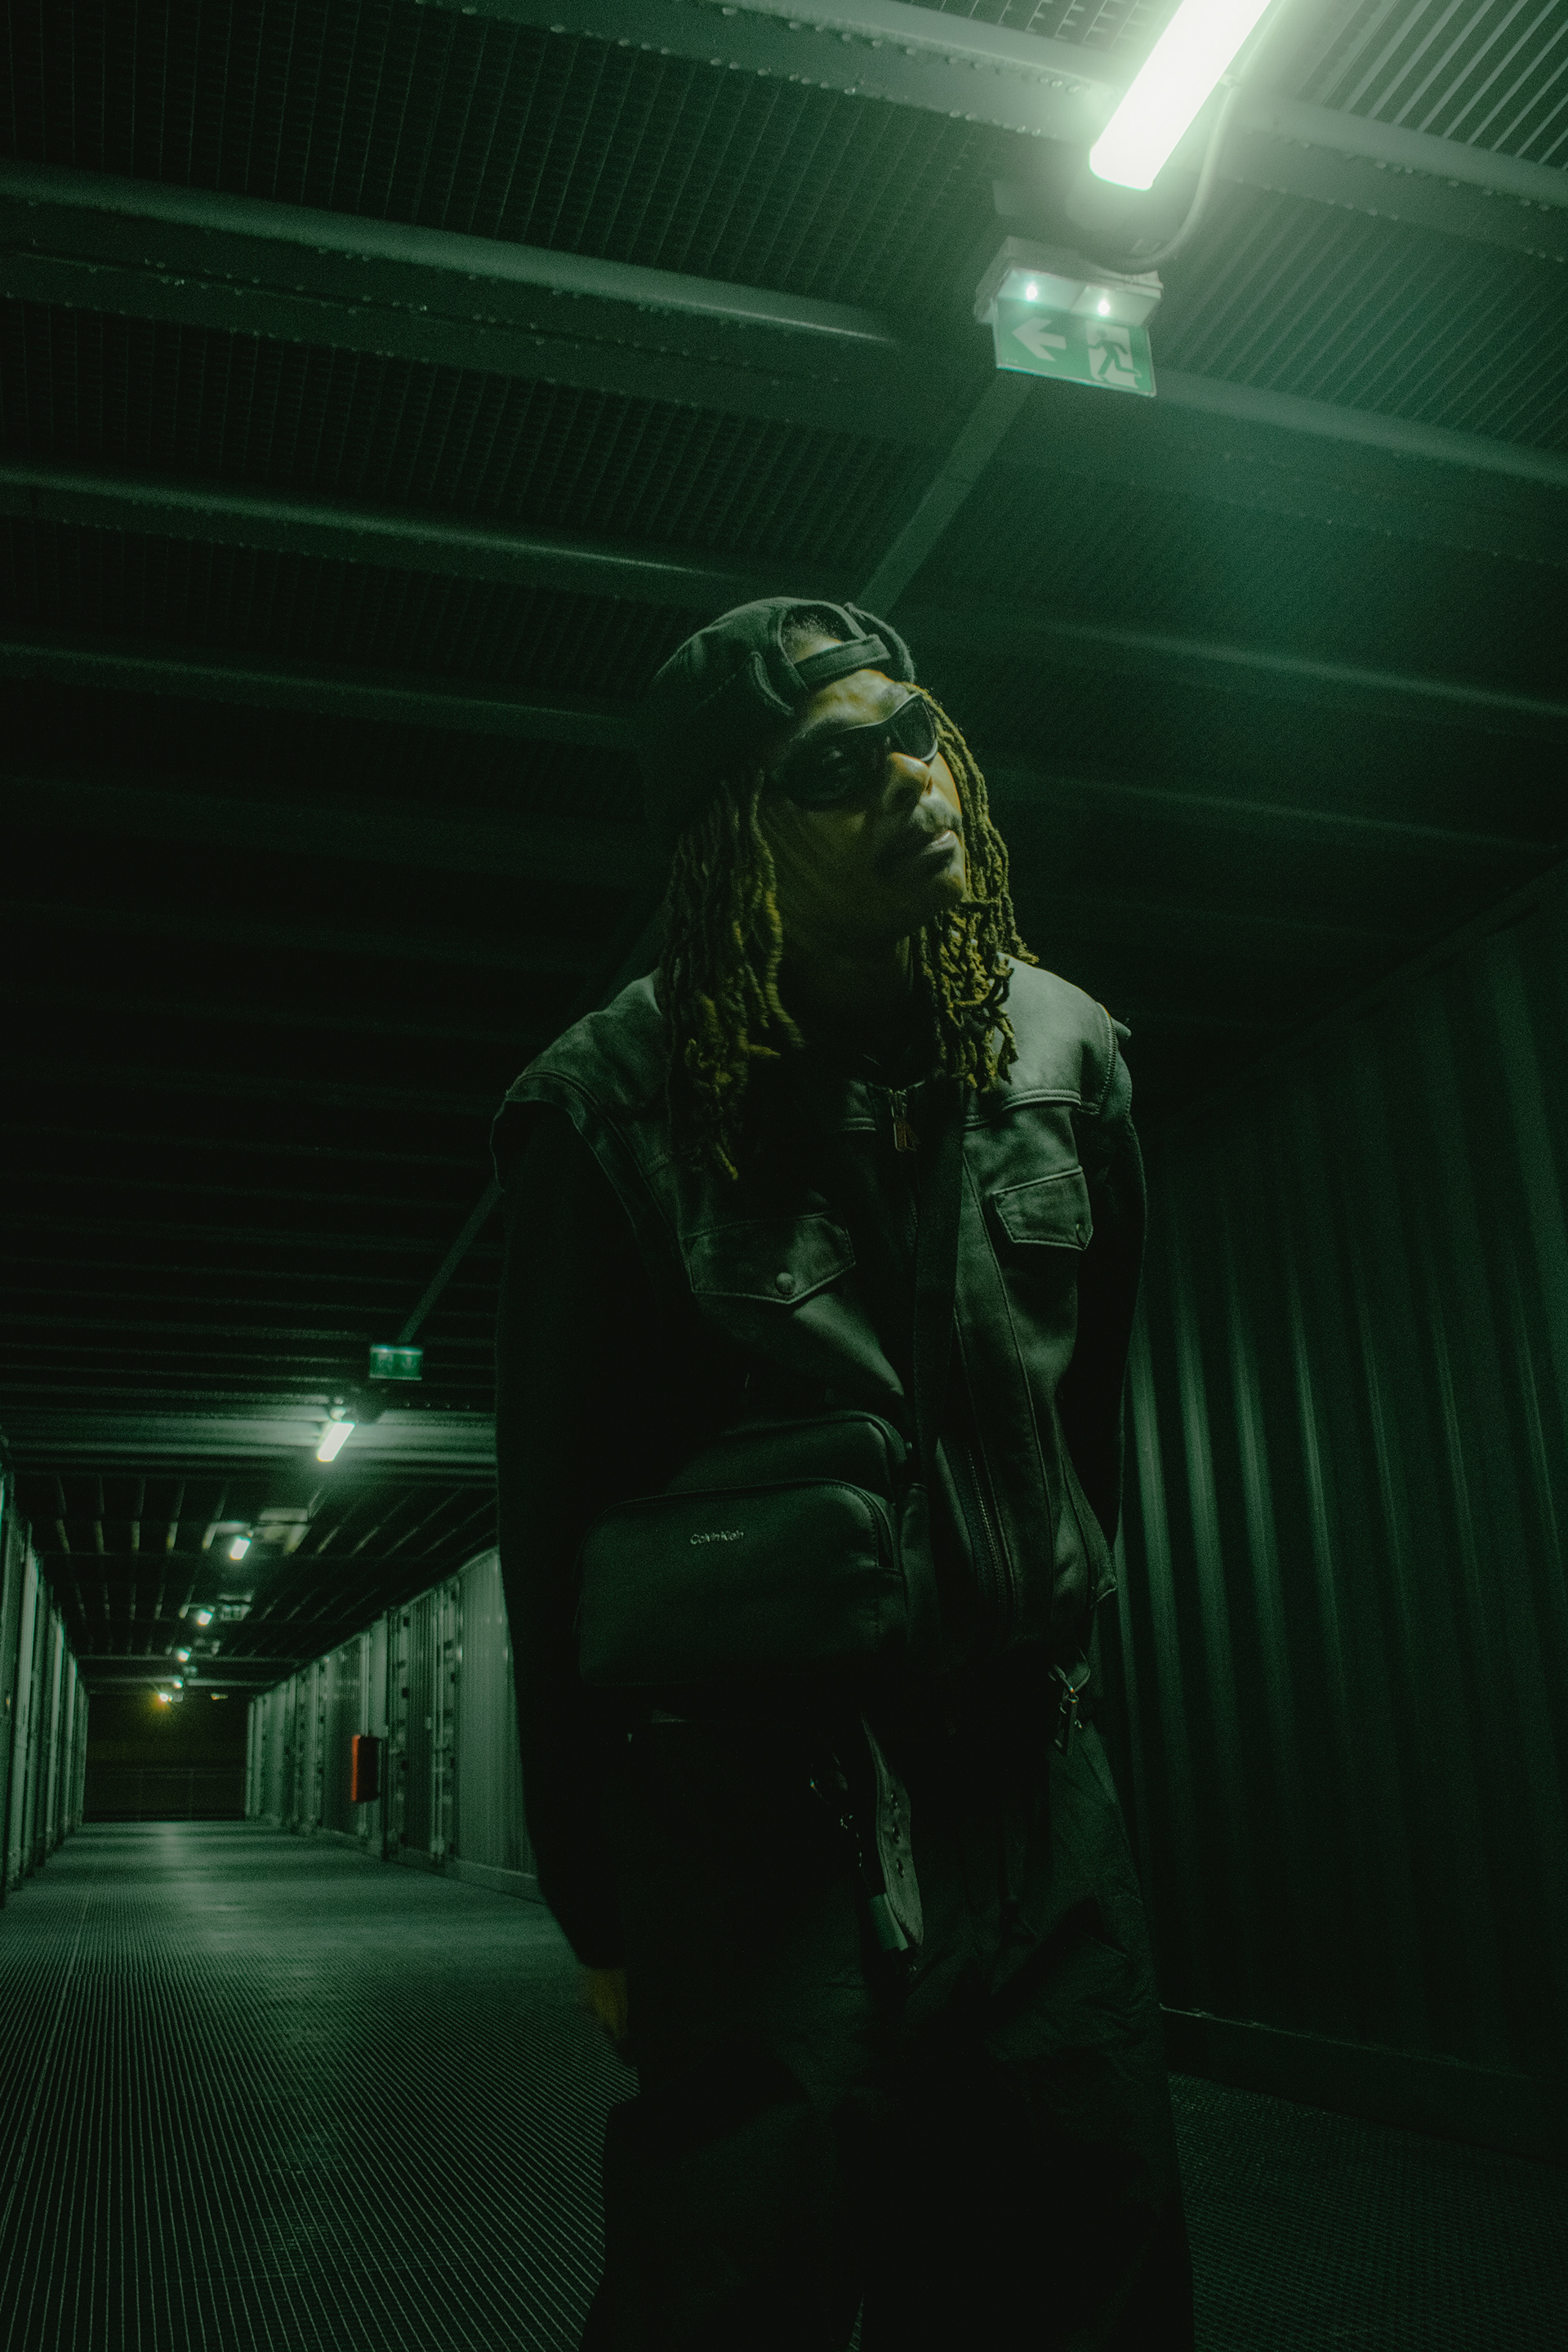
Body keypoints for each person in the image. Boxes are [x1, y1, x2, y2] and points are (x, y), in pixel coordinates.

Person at [492, 599, 1194, 2350]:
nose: (912, 780)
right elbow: (554, 1532)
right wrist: (599, 1905)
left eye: (916, 730)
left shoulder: (1068, 1057)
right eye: (837, 765)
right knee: (741, 2291)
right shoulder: (608, 1106)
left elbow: (1085, 1437)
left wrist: (1064, 1699)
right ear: (734, 834)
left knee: (1080, 2273)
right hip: (752, 1823)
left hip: (1031, 1801)